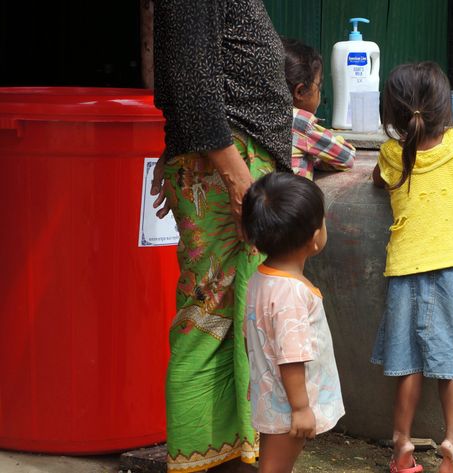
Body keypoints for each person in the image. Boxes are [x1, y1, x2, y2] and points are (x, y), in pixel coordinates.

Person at [149, 0, 293, 470]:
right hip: (229, 167)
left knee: (235, 322)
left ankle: (229, 457)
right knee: (206, 323)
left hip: (225, 163)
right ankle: (198, 460)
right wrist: (236, 180)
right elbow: (190, 81)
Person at [370, 62, 453, 473]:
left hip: (404, 270)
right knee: (448, 363)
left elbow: (378, 180)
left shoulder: (390, 153)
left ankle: (402, 447)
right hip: (451, 268)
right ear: (444, 108)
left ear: (393, 113)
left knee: (407, 365)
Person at [241, 173, 344, 473]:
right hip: (287, 403)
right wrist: (300, 409)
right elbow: (291, 354)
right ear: (314, 239)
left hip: (272, 393)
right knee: (275, 467)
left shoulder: (261, 278)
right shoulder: (292, 294)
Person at [281, 37, 356, 180]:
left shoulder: (260, 113)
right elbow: (346, 157)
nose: (320, 93)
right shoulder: (301, 123)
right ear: (300, 92)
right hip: (293, 199)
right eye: (319, 86)